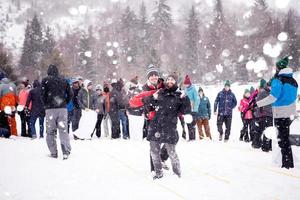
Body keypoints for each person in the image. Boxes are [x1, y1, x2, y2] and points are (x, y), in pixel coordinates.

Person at [146, 73, 191, 179]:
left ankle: (177, 173)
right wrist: (153, 98)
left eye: (172, 80)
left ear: (176, 82)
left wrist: (185, 99)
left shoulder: (179, 95)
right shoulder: (160, 92)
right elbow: (149, 105)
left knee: (171, 151)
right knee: (153, 150)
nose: (170, 81)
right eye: (168, 80)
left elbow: (186, 111)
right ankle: (158, 173)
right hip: (156, 125)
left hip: (169, 126)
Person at [256, 56, 297, 169]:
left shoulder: (278, 80)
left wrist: (258, 103)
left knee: (282, 139)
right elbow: (291, 97)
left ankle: (287, 164)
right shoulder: (293, 81)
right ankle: (288, 162)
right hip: (290, 113)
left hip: (280, 113)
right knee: (286, 138)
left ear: (278, 68)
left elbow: (273, 97)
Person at [129, 64, 169, 172]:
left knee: (171, 140)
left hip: (165, 119)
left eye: (156, 75)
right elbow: (132, 102)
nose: (154, 77)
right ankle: (154, 170)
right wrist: (148, 98)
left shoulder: (164, 86)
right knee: (154, 145)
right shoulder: (143, 89)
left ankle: (162, 158)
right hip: (152, 120)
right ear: (148, 77)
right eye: (151, 75)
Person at [41, 64, 73, 160]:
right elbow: (70, 94)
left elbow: (42, 95)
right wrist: (65, 102)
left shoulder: (45, 81)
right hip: (62, 108)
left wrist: (46, 104)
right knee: (63, 130)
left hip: (50, 109)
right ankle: (65, 150)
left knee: (50, 132)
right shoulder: (64, 81)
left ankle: (53, 152)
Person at [251, 79, 273, 151]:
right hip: (264, 114)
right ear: (268, 86)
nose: (271, 88)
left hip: (269, 114)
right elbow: (258, 103)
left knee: (266, 130)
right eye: (270, 86)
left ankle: (263, 145)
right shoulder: (263, 93)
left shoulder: (271, 93)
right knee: (264, 130)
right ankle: (264, 146)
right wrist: (259, 112)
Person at [183, 75, 199, 141]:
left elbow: (197, 99)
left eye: (187, 84)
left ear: (189, 83)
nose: (186, 85)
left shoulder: (193, 90)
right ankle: (190, 137)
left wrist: (195, 109)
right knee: (188, 123)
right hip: (187, 109)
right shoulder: (185, 90)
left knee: (192, 124)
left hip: (192, 109)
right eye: (185, 84)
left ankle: (192, 138)